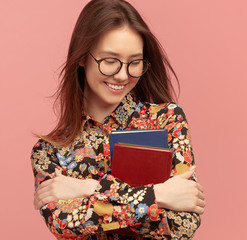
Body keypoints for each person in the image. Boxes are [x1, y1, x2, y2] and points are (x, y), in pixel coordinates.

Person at [30, 0, 206, 239]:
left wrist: (85, 188)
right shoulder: (49, 151)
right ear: (82, 57)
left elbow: (181, 226)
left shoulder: (167, 120)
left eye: (134, 63)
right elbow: (65, 222)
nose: (123, 75)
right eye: (110, 61)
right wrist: (160, 196)